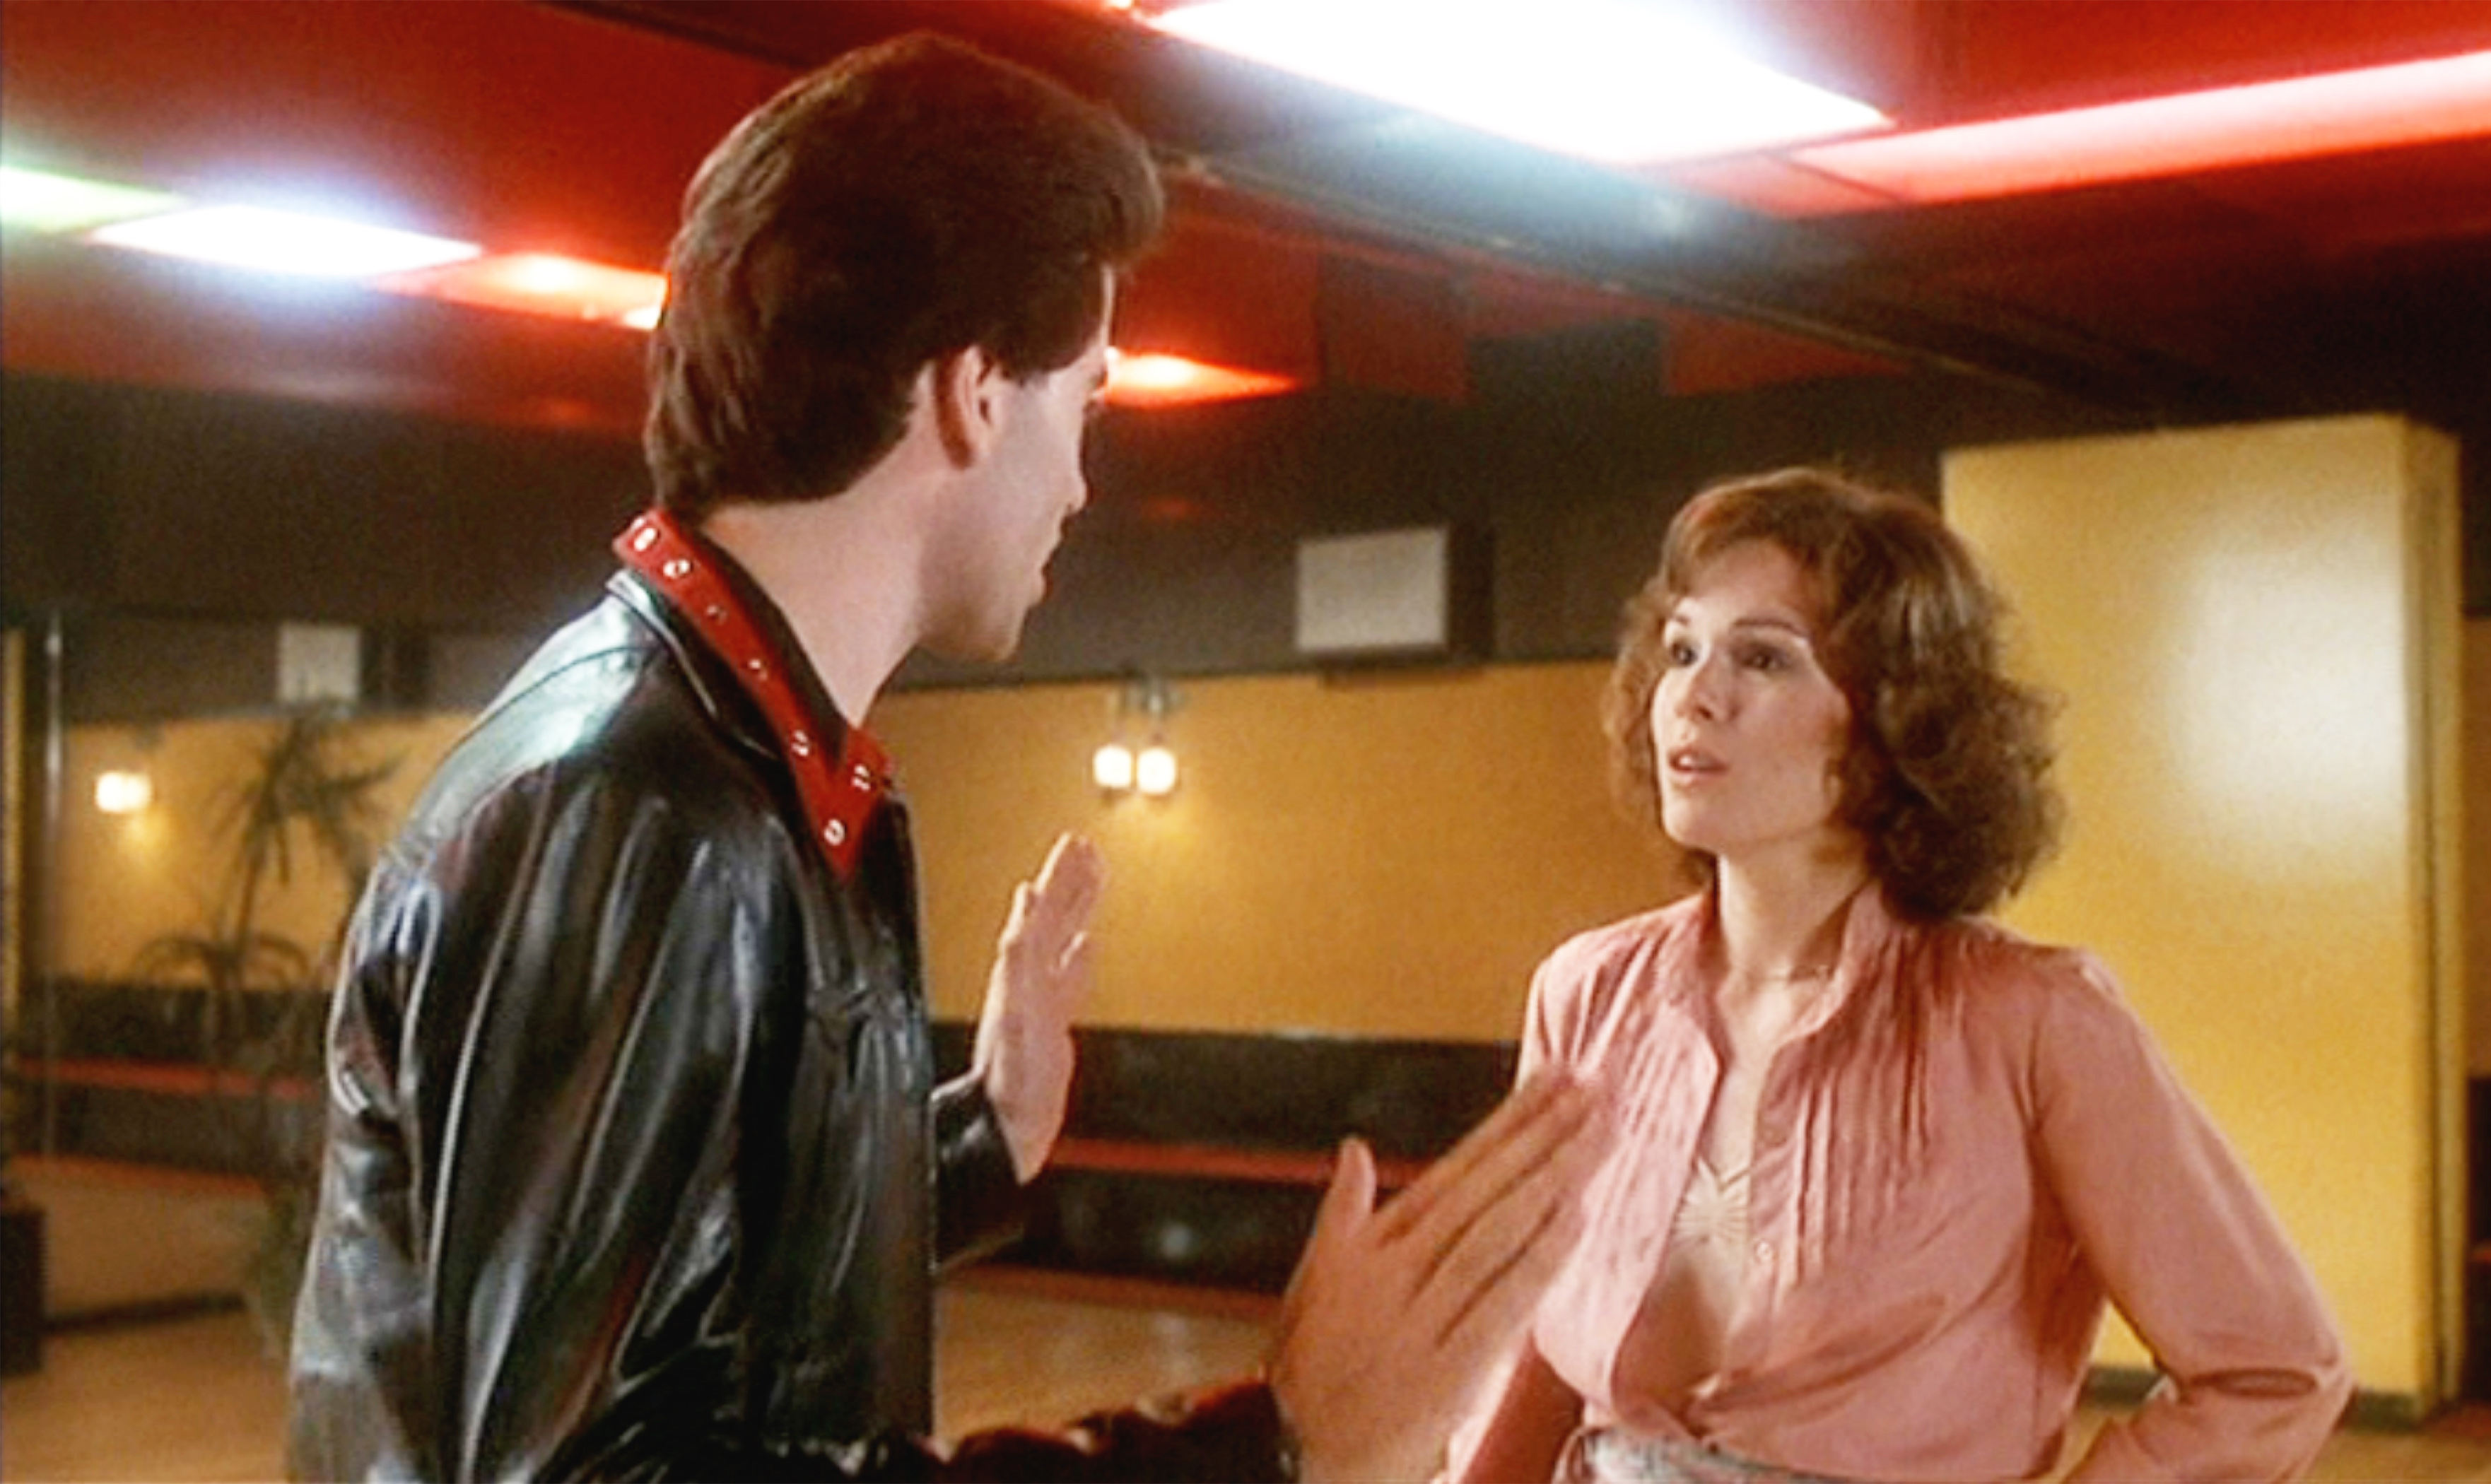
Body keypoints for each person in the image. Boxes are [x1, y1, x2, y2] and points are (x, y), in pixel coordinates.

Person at [287, 33, 1607, 1483]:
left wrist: (983, 1140)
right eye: (1085, 401)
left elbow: (715, 1289)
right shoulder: (635, 803)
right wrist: (1259, 1448)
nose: (1084, 479)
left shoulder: (740, 759)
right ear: (977, 390)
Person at [1446, 469, 2350, 1484]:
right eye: (1681, 651)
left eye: (1762, 658)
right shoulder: (1586, 994)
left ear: (1888, 723)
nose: (1695, 698)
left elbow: (2271, 1371)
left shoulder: (2032, 1021)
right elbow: (1530, 1343)